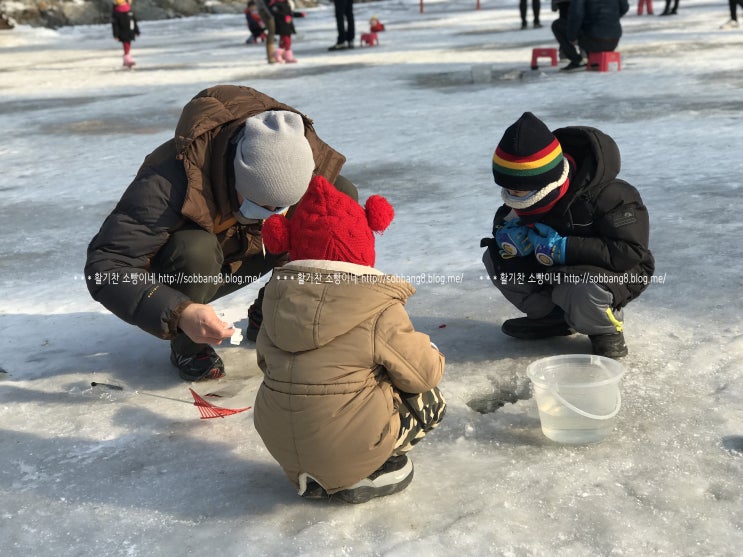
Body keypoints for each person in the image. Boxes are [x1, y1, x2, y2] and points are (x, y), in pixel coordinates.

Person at [85, 85, 347, 382]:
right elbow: (106, 267)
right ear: (235, 174)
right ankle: (189, 344)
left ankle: (273, 312)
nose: (273, 213)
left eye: (281, 206)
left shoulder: (298, 155)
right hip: (193, 271)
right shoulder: (168, 180)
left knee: (337, 203)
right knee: (195, 249)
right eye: (261, 203)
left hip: (249, 248)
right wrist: (180, 312)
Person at [254, 176, 446, 503]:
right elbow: (424, 374)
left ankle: (313, 472)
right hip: (344, 445)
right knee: (429, 396)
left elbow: (264, 363)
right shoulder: (378, 307)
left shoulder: (275, 303)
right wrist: (430, 349)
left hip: (281, 444)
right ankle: (368, 471)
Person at [480, 112, 654, 359]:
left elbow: (630, 252)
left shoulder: (613, 196)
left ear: (546, 182)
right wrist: (506, 235)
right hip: (553, 268)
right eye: (508, 190)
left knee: (578, 286)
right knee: (496, 259)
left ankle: (605, 331)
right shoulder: (522, 197)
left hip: (615, 271)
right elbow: (505, 218)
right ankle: (553, 319)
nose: (513, 198)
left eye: (519, 191)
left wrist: (564, 247)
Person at [552, 0, 629, 71]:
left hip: (593, 40)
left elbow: (576, 14)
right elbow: (624, 7)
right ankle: (591, 57)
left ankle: (577, 60)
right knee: (586, 24)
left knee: (557, 25)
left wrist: (572, 37)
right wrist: (611, 19)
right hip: (613, 40)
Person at [110, 0, 140, 69]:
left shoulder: (129, 10)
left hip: (130, 30)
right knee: (126, 44)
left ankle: (126, 59)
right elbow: (115, 25)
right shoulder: (116, 12)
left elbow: (134, 21)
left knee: (128, 44)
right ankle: (127, 58)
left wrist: (137, 31)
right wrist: (116, 34)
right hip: (122, 32)